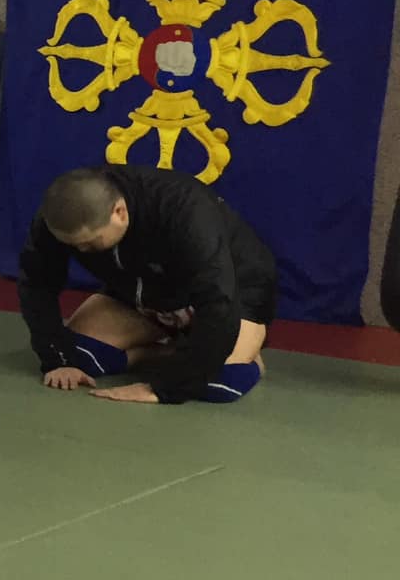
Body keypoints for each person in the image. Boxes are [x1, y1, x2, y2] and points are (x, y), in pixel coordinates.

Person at [18, 165, 275, 405]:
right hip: (143, 296)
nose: (81, 250)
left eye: (90, 244)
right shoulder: (57, 220)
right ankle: (159, 353)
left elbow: (218, 300)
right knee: (74, 355)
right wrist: (57, 362)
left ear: (119, 212)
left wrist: (161, 388)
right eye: (74, 246)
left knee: (219, 383)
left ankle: (248, 355)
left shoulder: (185, 210)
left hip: (228, 292)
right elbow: (36, 284)